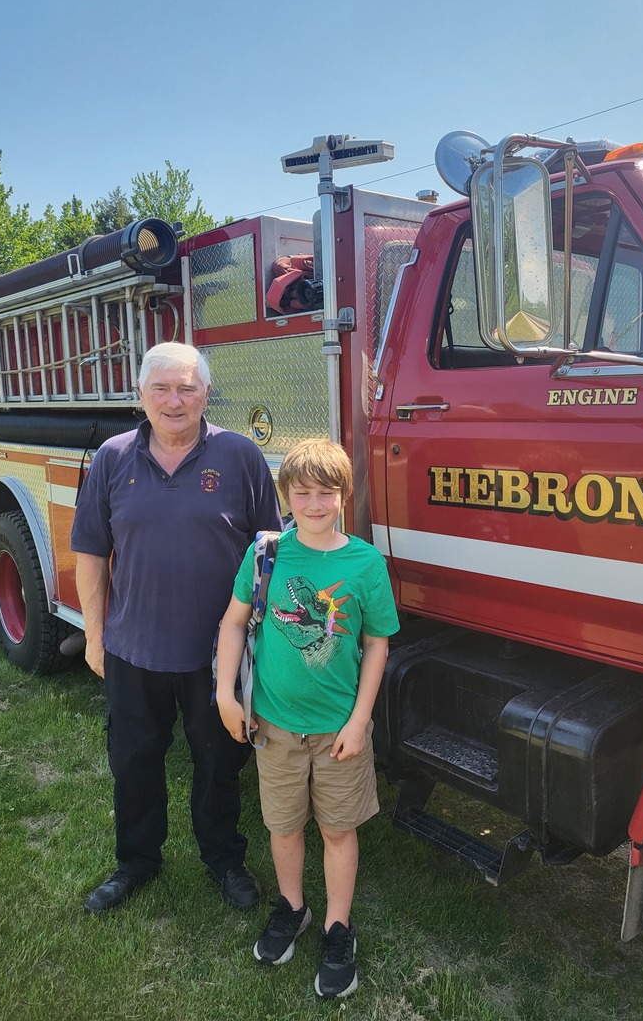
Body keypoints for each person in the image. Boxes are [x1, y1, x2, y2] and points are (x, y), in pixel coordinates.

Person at [71, 341, 282, 915]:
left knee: (220, 762)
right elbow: (90, 550)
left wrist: (266, 642)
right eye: (161, 388)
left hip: (218, 654)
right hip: (132, 648)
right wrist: (94, 634)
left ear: (206, 393)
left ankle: (223, 857)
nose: (174, 399)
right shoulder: (112, 458)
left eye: (187, 387)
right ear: (140, 396)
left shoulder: (240, 457)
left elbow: (271, 551)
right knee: (134, 761)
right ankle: (136, 861)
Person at [215, 438, 399, 998]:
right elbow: (232, 624)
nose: (315, 504)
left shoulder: (365, 562)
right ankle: (291, 907)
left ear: (344, 495)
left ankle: (337, 928)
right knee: (283, 825)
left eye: (326, 493)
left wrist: (359, 720)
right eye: (303, 493)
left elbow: (377, 645)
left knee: (338, 829)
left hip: (339, 731)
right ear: (285, 497)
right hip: (274, 725)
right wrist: (226, 694)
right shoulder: (267, 555)